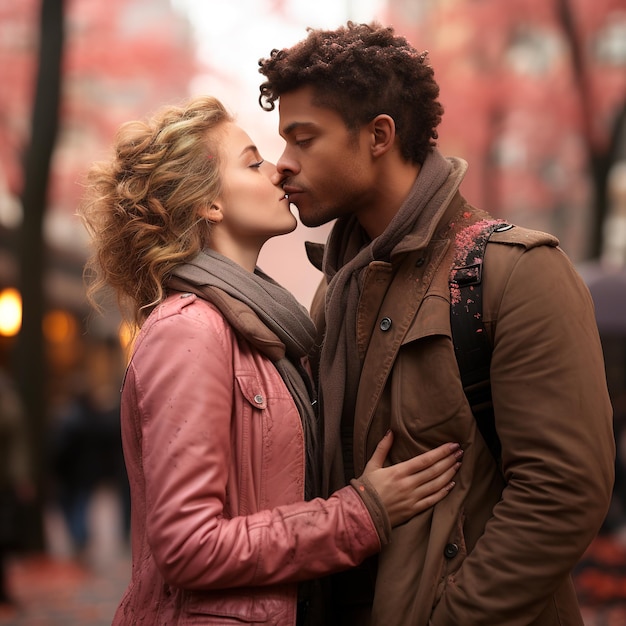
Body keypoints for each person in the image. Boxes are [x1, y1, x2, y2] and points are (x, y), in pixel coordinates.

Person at [257, 21, 615, 626]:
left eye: (305, 139)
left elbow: (563, 492)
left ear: (379, 135)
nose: (282, 166)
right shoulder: (338, 287)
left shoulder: (517, 272)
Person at [77, 94, 463, 626]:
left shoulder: (261, 328)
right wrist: (359, 514)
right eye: (253, 162)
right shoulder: (188, 331)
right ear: (208, 204)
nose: (278, 172)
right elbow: (187, 545)